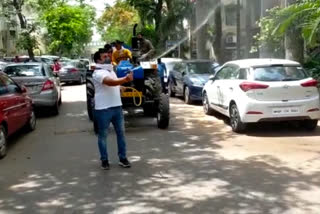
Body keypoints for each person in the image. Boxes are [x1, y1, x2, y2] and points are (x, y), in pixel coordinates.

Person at [92, 46, 133, 170]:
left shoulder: (111, 70)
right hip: (103, 109)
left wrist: (120, 87)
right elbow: (109, 82)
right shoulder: (98, 73)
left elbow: (114, 83)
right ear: (98, 61)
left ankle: (123, 158)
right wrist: (125, 79)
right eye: (104, 57)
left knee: (121, 134)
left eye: (108, 56)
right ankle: (104, 160)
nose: (108, 58)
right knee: (103, 136)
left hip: (117, 107)